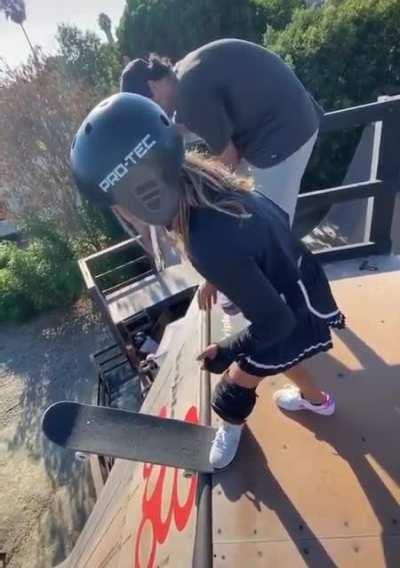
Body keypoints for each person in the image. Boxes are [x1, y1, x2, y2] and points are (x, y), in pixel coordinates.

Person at [71, 93, 345, 470]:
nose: (127, 217)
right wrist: (219, 278)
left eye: (122, 207)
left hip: (290, 311)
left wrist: (228, 351)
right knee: (276, 357)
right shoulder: (212, 186)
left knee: (234, 384)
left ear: (142, 195)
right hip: (296, 279)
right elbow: (256, 234)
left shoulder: (205, 242)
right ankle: (319, 402)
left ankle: (228, 431)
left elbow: (276, 322)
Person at [120, 38, 323, 309]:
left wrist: (212, 259)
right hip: (282, 124)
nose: (158, 116)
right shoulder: (185, 75)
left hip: (284, 134)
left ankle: (293, 311)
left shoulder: (189, 94)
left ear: (152, 87)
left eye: (151, 108)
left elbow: (226, 163)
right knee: (246, 212)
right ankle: (269, 292)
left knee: (269, 227)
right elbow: (206, 131)